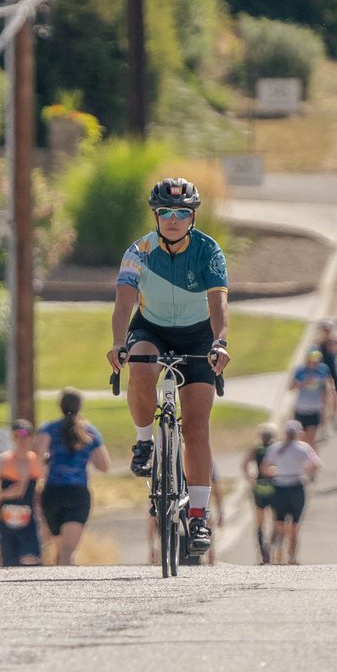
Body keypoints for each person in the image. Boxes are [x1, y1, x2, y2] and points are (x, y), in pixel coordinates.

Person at [105, 177, 231, 559]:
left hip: (198, 335)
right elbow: (124, 303)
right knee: (141, 367)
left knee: (196, 425)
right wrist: (118, 343)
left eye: (181, 213)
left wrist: (220, 342)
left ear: (192, 217)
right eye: (165, 213)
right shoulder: (139, 252)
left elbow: (218, 304)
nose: (173, 220)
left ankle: (198, 516)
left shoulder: (209, 251)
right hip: (152, 328)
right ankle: (145, 441)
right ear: (155, 216)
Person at [34, 388, 108, 566]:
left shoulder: (48, 429)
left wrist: (48, 463)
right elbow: (104, 466)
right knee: (69, 551)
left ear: (60, 406)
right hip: (77, 493)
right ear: (80, 406)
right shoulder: (89, 432)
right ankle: (66, 581)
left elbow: (37, 457)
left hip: (52, 492)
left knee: (59, 549)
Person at [261, 420, 321, 565]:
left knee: (280, 524)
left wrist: (276, 472)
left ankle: (279, 553)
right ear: (299, 434)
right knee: (294, 526)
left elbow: (264, 468)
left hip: (280, 486)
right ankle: (291, 556)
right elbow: (315, 465)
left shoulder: (276, 448)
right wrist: (307, 473)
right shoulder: (303, 448)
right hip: (296, 486)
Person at [0, 420, 46, 568]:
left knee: (32, 562)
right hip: (7, 521)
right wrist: (4, 493)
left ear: (32, 437)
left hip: (29, 520)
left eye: (25, 435)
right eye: (17, 436)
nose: (22, 440)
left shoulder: (37, 462)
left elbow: (43, 490)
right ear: (12, 438)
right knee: (9, 565)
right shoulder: (2, 461)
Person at [242, 425, 277, 563]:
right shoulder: (276, 449)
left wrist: (250, 478)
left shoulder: (256, 449)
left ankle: (262, 552)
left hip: (260, 486)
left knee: (259, 523)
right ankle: (271, 549)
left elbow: (244, 464)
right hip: (274, 487)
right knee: (275, 522)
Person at [289, 347, 333, 445]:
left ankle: (312, 454)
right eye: (312, 360)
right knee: (300, 439)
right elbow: (291, 387)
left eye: (317, 360)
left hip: (315, 409)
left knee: (311, 439)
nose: (314, 363)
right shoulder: (300, 371)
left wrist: (326, 406)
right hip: (300, 408)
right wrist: (303, 383)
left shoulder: (323, 370)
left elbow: (327, 387)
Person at [316, 320, 337, 434]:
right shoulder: (319, 343)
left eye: (329, 330)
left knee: (336, 397)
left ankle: (335, 418)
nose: (327, 332)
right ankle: (324, 427)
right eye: (325, 330)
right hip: (323, 374)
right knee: (324, 401)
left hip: (334, 371)